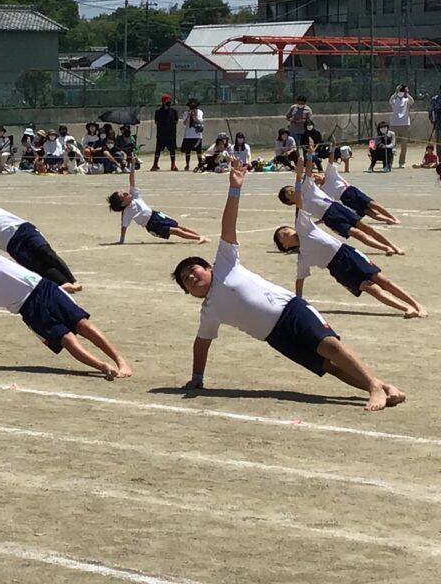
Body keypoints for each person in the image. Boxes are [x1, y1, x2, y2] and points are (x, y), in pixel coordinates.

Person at [171, 159, 405, 412]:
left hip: (290, 310)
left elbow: (228, 224)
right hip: (276, 337)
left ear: (208, 267)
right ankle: (382, 387)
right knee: (327, 366)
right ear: (189, 293)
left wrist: (235, 188)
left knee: (330, 346)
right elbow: (201, 344)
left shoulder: (225, 264)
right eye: (185, 280)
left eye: (192, 270)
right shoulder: (209, 311)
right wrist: (197, 377)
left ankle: (373, 386)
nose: (191, 277)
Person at [0, 170, 130, 380]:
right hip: (30, 311)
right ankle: (102, 366)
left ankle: (121, 361)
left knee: (83, 324)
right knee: (66, 339)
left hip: (43, 288)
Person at [0, 144, 82, 293]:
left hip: (23, 230)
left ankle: (73, 280)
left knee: (47, 254)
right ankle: (63, 284)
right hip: (13, 247)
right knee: (37, 266)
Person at [273, 208, 426, 319]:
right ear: (285, 246)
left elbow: (299, 202)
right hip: (338, 269)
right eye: (282, 235)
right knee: (371, 288)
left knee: (383, 281)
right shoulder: (302, 258)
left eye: (286, 229)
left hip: (347, 253)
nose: (286, 231)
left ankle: (416, 305)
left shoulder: (305, 228)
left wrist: (299, 178)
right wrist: (299, 303)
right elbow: (300, 280)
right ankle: (406, 308)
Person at [279, 142, 403, 256]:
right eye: (288, 193)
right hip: (330, 217)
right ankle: (385, 248)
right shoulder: (300, 206)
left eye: (290, 188)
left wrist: (310, 154)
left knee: (366, 228)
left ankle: (393, 246)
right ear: (289, 202)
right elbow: (299, 225)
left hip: (336, 207)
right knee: (357, 233)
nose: (291, 190)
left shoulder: (307, 187)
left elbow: (308, 170)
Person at [108, 166, 206, 245]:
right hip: (152, 225)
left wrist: (132, 165)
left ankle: (200, 236)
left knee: (178, 225)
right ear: (123, 203)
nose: (125, 192)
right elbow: (124, 227)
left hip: (156, 215)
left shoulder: (134, 196)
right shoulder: (127, 212)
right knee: (175, 230)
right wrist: (121, 240)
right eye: (122, 195)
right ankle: (198, 238)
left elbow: (131, 180)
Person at [316, 149, 399, 225]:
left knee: (373, 204)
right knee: (368, 212)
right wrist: (322, 218)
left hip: (350, 190)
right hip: (345, 199)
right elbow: (324, 204)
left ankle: (393, 218)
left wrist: (332, 147)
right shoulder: (322, 190)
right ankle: (388, 220)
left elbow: (330, 160)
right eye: (315, 179)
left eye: (316, 175)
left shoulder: (328, 173)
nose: (316, 177)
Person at [152, 93, 179, 171]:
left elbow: (176, 121)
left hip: (171, 134)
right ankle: (155, 164)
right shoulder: (158, 112)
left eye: (169, 100)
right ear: (163, 102)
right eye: (167, 100)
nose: (169, 102)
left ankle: (173, 165)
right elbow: (156, 122)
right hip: (161, 134)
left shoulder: (174, 111)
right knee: (158, 149)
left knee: (172, 149)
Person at [389, 84, 414, 168]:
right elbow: (390, 100)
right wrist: (396, 91)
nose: (401, 92)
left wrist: (407, 93)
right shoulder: (394, 100)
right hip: (394, 123)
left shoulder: (406, 100)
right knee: (392, 144)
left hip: (405, 124)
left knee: (404, 145)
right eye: (400, 91)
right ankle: (390, 161)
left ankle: (402, 162)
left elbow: (412, 101)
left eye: (402, 91)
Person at [181, 98, 204, 171]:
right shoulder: (186, 113)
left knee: (198, 151)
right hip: (188, 135)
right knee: (187, 151)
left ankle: (200, 164)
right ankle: (187, 164)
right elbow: (184, 123)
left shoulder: (199, 112)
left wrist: (194, 116)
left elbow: (200, 121)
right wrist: (189, 115)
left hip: (197, 135)